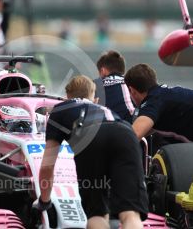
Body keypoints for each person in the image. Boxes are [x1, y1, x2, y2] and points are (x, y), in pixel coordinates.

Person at [35, 75, 148, 229]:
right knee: (130, 213)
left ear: (66, 97)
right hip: (126, 134)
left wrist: (44, 201)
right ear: (94, 99)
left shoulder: (60, 109)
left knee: (97, 215)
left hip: (90, 135)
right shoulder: (105, 109)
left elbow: (48, 166)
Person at [124, 63, 193, 146]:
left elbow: (134, 135)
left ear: (132, 91)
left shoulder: (153, 101)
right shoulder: (162, 94)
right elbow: (148, 129)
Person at [95, 50, 134, 123]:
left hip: (103, 128)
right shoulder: (132, 82)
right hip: (132, 127)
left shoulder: (93, 85)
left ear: (103, 70)